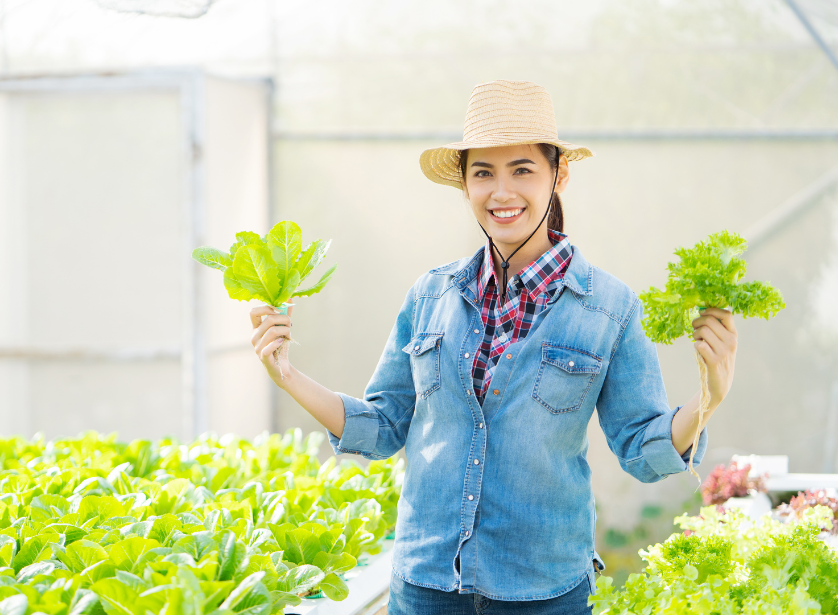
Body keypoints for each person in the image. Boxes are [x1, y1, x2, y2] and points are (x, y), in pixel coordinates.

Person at [248, 80, 738, 615]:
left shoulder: (609, 308)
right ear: (464, 184)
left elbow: (643, 450)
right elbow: (385, 425)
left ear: (560, 175)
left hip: (544, 593)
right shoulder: (430, 295)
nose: (501, 193)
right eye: (483, 173)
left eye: (522, 170)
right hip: (425, 587)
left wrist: (709, 396)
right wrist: (287, 374)